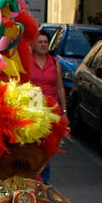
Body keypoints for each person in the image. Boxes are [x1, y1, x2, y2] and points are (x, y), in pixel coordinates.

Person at [28, 31, 66, 183]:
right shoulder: (28, 61)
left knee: (48, 146)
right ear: (34, 45)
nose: (43, 45)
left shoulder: (54, 62)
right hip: (34, 108)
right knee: (35, 144)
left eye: (45, 42)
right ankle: (32, 176)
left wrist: (64, 110)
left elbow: (60, 87)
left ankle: (43, 181)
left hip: (51, 110)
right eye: (40, 42)